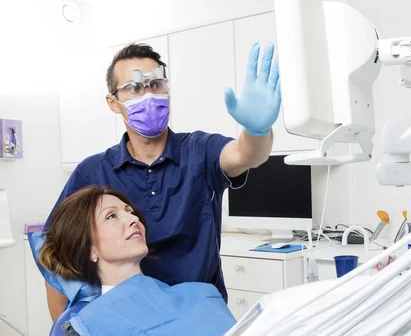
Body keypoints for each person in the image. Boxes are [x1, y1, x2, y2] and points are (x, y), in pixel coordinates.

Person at [44, 41, 281, 320]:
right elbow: (55, 252)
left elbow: (246, 154)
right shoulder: (92, 172)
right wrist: (64, 332)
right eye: (134, 88)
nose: (148, 95)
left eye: (156, 84)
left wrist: (256, 130)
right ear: (113, 102)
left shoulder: (199, 151)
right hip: (127, 322)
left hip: (201, 316)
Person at [39, 185, 238, 336]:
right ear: (89, 248)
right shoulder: (87, 335)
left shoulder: (200, 294)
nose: (133, 219)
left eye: (130, 211)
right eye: (111, 216)